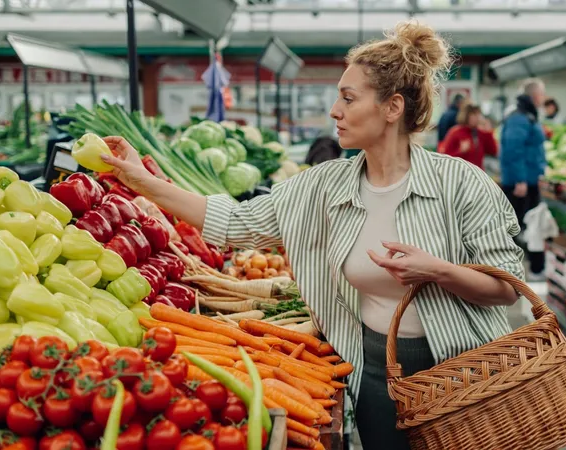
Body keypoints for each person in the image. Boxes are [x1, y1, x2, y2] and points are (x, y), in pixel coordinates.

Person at [100, 20, 524, 450]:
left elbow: (509, 290)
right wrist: (143, 179)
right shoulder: (322, 185)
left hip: (464, 370)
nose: (334, 111)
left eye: (348, 98)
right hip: (374, 370)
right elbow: (234, 223)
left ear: (392, 107)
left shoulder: (462, 183)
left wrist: (439, 271)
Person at [499, 78, 547, 280]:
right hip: (521, 183)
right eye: (542, 94)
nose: (544, 98)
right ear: (535, 95)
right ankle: (517, 273)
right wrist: (520, 180)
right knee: (519, 226)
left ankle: (527, 271)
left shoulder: (525, 114)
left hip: (528, 179)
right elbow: (513, 148)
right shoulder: (519, 117)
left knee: (528, 224)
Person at [440, 102, 498, 169]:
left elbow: (493, 151)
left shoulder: (480, 133)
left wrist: (488, 131)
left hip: (477, 174)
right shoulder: (455, 132)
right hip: (460, 174)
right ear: (466, 115)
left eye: (478, 114)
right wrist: (460, 151)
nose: (477, 117)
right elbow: (445, 158)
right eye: (474, 114)